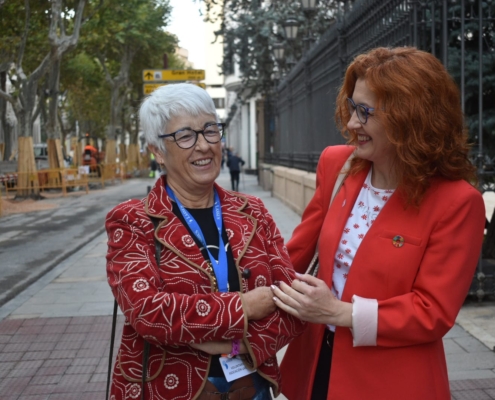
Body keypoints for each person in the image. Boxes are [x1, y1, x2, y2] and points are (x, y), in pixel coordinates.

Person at [271, 47, 486, 400]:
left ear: (410, 118)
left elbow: (432, 312)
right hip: (316, 367)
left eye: (365, 112)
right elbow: (292, 256)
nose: (352, 123)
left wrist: (340, 312)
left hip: (392, 380)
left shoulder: (457, 202)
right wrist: (229, 303)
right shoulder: (336, 164)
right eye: (352, 108)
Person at [105, 83, 305, 400]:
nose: (204, 145)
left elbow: (291, 305)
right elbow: (148, 311)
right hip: (166, 389)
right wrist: (245, 306)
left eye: (210, 130)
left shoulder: (252, 212)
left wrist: (230, 344)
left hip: (250, 388)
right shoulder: (133, 220)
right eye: (185, 136)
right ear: (157, 150)